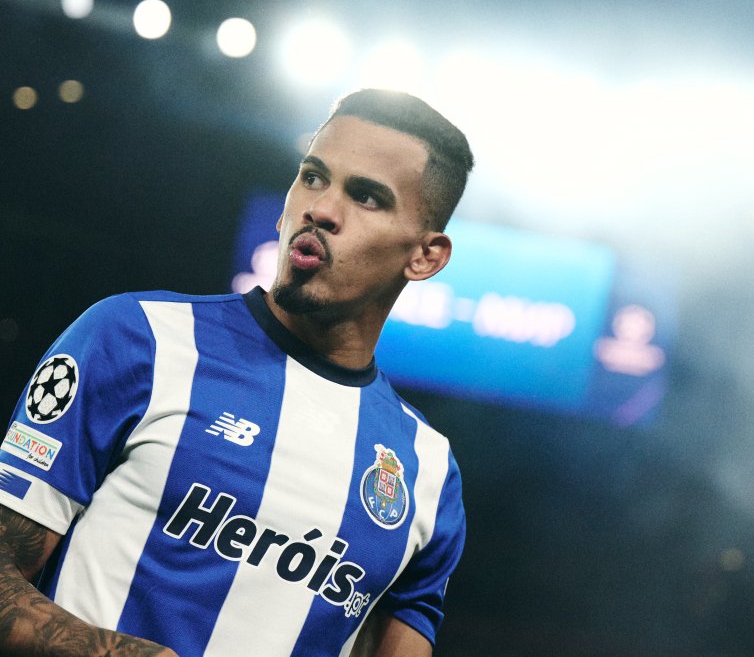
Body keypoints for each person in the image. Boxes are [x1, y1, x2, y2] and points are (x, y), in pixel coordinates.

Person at [0, 89, 473, 656]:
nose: (321, 209)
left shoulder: (426, 474)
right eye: (314, 177)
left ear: (425, 256)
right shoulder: (136, 338)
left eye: (367, 196)